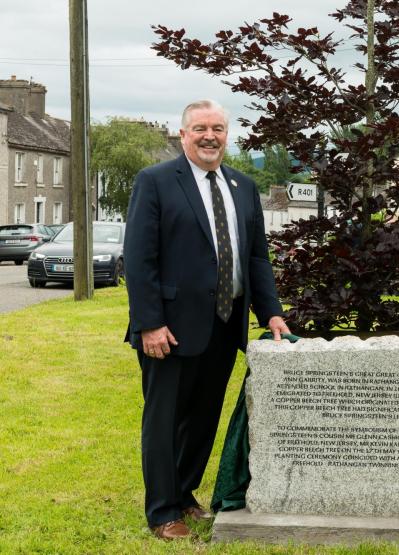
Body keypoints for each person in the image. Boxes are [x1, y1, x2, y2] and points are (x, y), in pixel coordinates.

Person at [124, 99, 290, 540]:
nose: (209, 136)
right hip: (170, 327)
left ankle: (183, 492)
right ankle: (163, 512)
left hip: (224, 322)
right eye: (200, 128)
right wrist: (149, 323)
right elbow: (140, 261)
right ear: (183, 135)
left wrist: (271, 313)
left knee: (202, 418)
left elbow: (256, 258)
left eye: (217, 128)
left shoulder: (243, 186)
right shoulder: (156, 182)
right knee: (164, 419)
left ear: (227, 135)